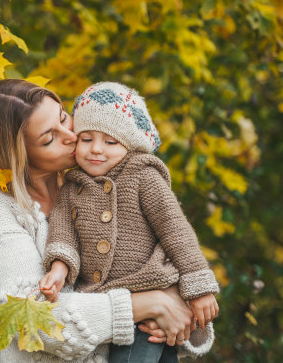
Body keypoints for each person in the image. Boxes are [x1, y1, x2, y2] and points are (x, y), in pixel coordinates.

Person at [0, 79, 213, 362]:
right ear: (18, 156)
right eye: (49, 139)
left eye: (63, 118)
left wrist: (174, 297)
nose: (71, 136)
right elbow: (31, 320)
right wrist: (148, 303)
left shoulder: (93, 179)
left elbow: (165, 239)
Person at [38, 82, 219, 363]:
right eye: (86, 139)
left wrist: (199, 287)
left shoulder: (143, 177)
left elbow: (176, 231)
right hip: (116, 306)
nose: (96, 149)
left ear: (130, 144)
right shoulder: (72, 187)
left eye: (110, 142)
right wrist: (59, 268)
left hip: (151, 291)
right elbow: (63, 231)